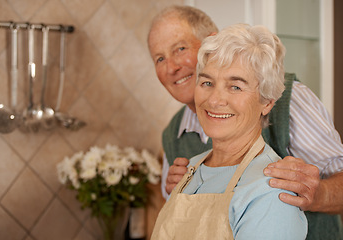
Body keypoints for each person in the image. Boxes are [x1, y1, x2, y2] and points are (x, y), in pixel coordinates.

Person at [147, 5, 343, 240]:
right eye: (159, 58)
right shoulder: (173, 136)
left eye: (180, 48)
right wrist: (181, 191)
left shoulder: (290, 100)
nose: (171, 67)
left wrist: (320, 194)